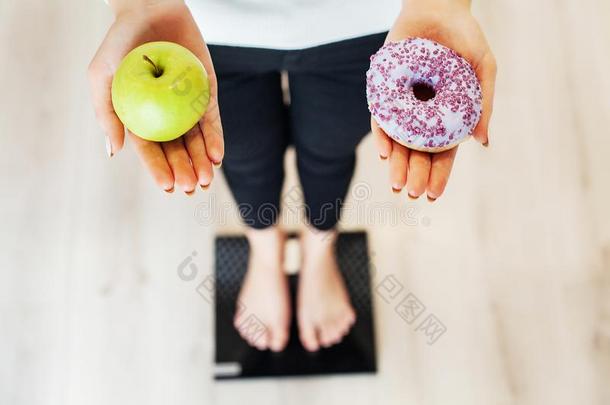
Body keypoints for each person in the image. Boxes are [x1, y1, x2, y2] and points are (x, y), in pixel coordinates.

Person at [88, 0, 496, 353]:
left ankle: (320, 251)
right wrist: (143, 6)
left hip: (362, 23)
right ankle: (265, 254)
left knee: (329, 148)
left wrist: (440, 5)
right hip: (196, 26)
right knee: (242, 152)